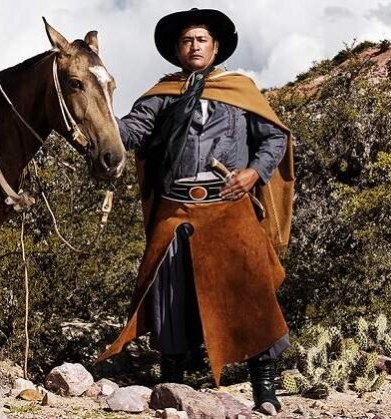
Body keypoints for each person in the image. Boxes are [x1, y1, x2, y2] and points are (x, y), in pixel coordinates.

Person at [96, 8, 295, 415]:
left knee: (254, 298)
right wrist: (99, 118)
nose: (194, 46)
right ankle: (173, 389)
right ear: (177, 49)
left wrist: (252, 173)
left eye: (201, 39)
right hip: (177, 210)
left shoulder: (240, 90)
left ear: (216, 47)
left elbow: (274, 139)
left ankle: (266, 391)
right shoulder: (161, 95)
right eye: (188, 40)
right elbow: (133, 132)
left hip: (230, 209)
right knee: (170, 299)